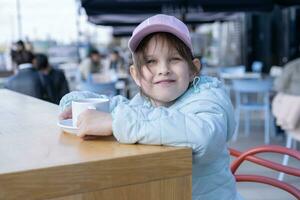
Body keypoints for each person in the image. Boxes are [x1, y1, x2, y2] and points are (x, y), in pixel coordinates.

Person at [59, 14, 241, 200]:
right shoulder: (146, 101)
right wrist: (79, 103)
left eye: (174, 59)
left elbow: (204, 136)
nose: (163, 69)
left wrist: (115, 123)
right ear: (136, 75)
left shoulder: (207, 96)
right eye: (151, 61)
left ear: (193, 69)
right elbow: (122, 107)